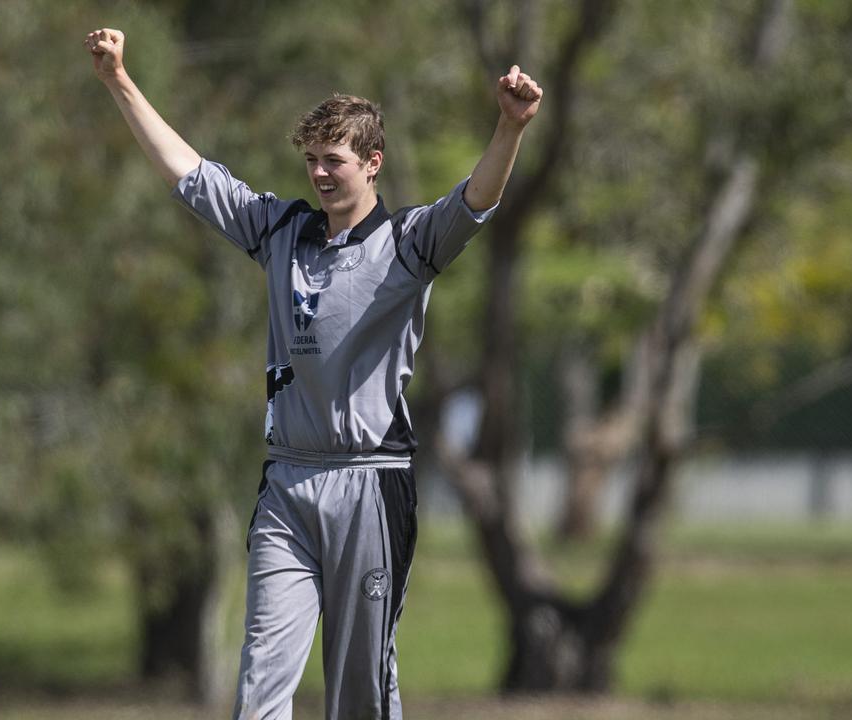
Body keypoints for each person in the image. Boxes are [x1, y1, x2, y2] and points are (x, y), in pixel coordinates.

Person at [87, 26, 541, 720]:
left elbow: (475, 202)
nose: (321, 174)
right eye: (311, 160)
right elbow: (190, 174)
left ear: (373, 163)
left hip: (370, 483)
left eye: (335, 160)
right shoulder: (280, 234)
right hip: (288, 483)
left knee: (358, 691)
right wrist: (119, 79)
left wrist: (509, 128)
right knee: (261, 678)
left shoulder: (408, 245)